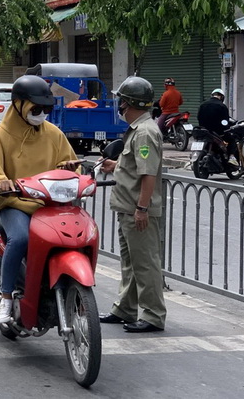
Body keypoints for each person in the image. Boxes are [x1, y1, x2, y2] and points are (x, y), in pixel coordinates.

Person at [0, 75, 81, 324]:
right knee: (20, 237)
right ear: (19, 104)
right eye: (36, 107)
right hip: (13, 203)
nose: (41, 113)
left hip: (49, 205)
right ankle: (7, 296)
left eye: (46, 109)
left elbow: (70, 165)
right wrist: (1, 180)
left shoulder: (54, 133)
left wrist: (71, 169)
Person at [98, 76, 167, 333]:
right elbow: (136, 167)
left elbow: (149, 174)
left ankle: (152, 315)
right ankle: (125, 308)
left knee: (145, 264)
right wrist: (116, 166)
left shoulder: (145, 132)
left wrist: (142, 208)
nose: (119, 105)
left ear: (127, 103)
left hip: (137, 210)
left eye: (121, 101)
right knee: (130, 263)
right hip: (127, 207)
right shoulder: (138, 129)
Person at [197, 88, 237, 161]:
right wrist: (226, 129)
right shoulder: (222, 106)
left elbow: (199, 117)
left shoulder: (202, 104)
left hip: (204, 131)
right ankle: (231, 157)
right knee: (232, 140)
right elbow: (225, 121)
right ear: (222, 97)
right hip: (218, 132)